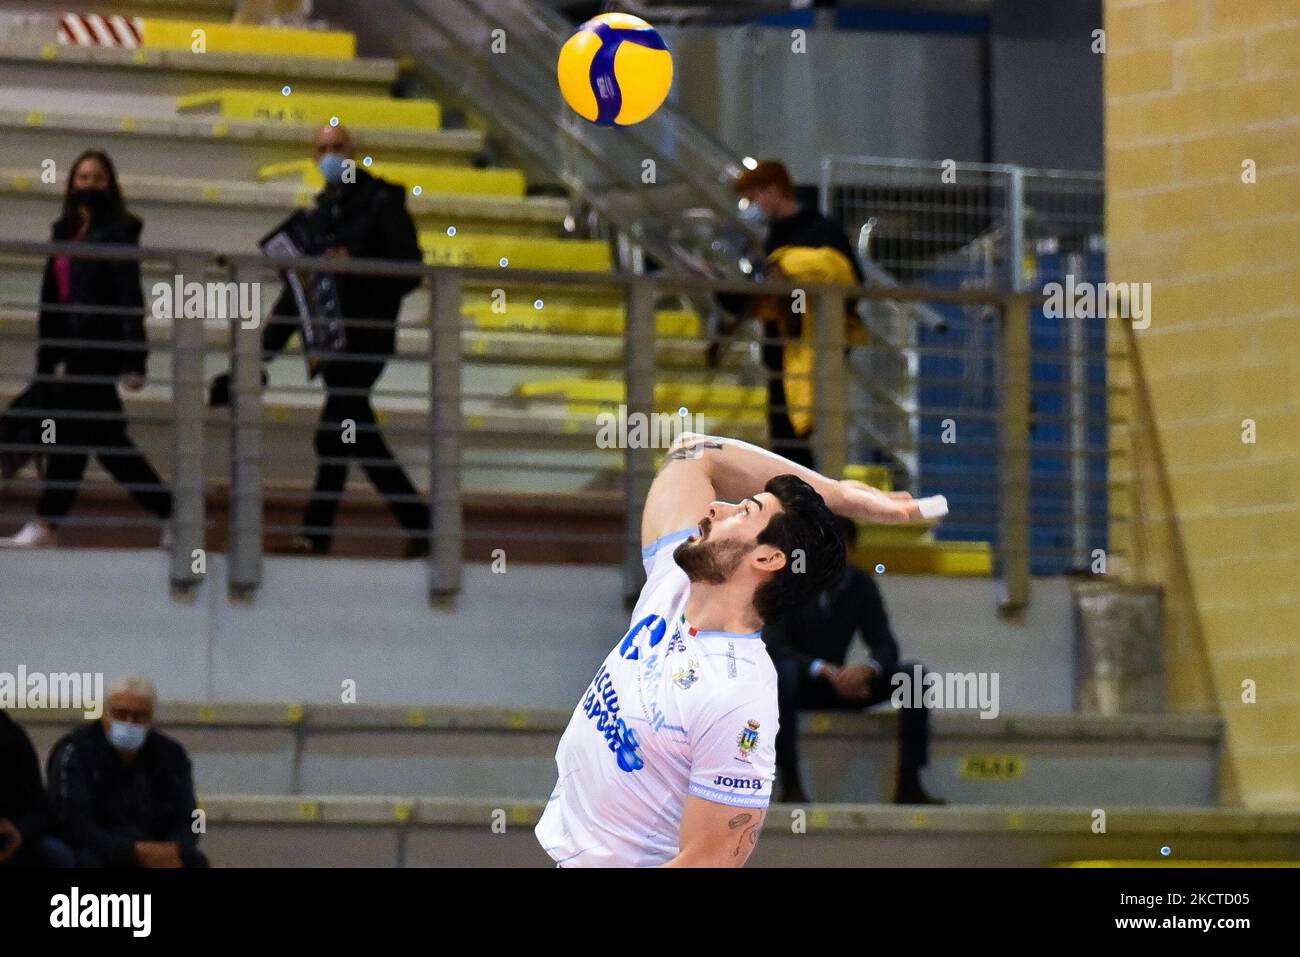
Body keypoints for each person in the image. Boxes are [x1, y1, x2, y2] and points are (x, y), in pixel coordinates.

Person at [535, 431, 942, 867]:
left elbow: (710, 862)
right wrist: (839, 495)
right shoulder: (673, 581)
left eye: (744, 510)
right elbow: (693, 451)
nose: (715, 506)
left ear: (767, 560)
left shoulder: (738, 697)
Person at [213, 123, 430, 557]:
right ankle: (419, 523)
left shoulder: (382, 202)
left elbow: (410, 269)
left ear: (354, 152)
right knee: (351, 434)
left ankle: (319, 535)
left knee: (336, 433)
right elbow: (297, 296)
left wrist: (357, 263)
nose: (331, 156)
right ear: (314, 160)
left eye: (338, 148)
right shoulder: (317, 217)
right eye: (323, 150)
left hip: (366, 339)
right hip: (331, 345)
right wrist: (260, 356)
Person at [0, 150, 172, 549]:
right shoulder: (63, 232)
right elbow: (53, 301)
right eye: (83, 177)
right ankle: (172, 512)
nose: (89, 184)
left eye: (97, 178)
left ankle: (47, 523)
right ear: (71, 184)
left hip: (97, 351)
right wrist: (47, 358)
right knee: (101, 442)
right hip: (67, 353)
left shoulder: (120, 233)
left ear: (110, 186)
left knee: (73, 435)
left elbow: (130, 299)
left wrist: (135, 359)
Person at [764, 516, 945, 805]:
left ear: (852, 550)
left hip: (845, 686)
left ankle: (910, 784)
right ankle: (791, 784)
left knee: (913, 676)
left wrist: (867, 669)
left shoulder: (860, 584)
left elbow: (885, 645)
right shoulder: (787, 581)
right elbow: (773, 643)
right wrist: (822, 669)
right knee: (781, 674)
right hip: (802, 684)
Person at [713, 160, 866, 469]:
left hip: (814, 353)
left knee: (808, 442)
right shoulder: (774, 237)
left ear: (773, 190)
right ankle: (809, 511)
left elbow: (851, 284)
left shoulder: (821, 231)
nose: (753, 206)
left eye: (755, 196)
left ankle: (824, 512)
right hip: (781, 352)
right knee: (785, 444)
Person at [46, 677, 208, 868]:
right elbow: (73, 823)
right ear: (104, 714)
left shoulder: (171, 754)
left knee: (195, 862)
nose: (129, 722)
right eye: (120, 714)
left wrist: (175, 848)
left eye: (139, 716)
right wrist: (133, 851)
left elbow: (191, 817)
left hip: (157, 848)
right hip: (99, 849)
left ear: (151, 719)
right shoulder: (75, 750)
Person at [0, 710, 75, 868]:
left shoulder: (11, 737)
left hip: (12, 838)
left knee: (58, 855)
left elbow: (40, 807)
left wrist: (20, 832)